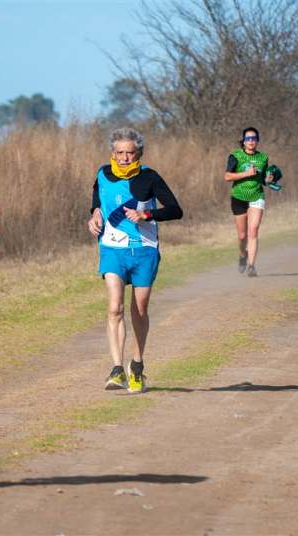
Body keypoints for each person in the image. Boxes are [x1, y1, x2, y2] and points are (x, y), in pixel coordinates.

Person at [88, 127, 183, 394]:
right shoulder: (102, 174)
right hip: (112, 248)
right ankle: (117, 369)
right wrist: (94, 214)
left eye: (130, 153)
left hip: (144, 249)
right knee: (114, 307)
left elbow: (176, 210)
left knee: (139, 309)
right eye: (120, 153)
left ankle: (137, 365)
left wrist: (147, 215)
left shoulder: (149, 177)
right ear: (112, 153)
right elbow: (97, 200)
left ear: (139, 152)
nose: (125, 158)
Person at [224, 127, 275, 277]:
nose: (251, 141)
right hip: (238, 197)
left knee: (253, 231)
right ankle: (242, 255)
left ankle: (251, 265)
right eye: (248, 139)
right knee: (242, 236)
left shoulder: (263, 158)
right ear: (244, 141)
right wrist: (246, 173)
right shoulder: (235, 156)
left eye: (254, 138)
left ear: (257, 141)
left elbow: (263, 180)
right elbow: (227, 176)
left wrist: (268, 179)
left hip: (256, 196)